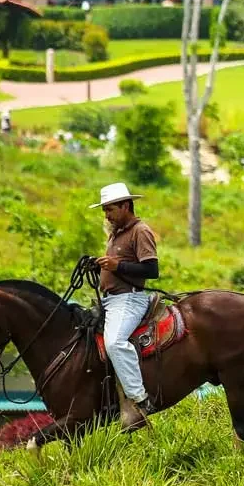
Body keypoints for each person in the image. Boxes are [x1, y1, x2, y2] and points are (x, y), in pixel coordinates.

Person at [90, 182, 161, 431]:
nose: (106, 214)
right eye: (105, 210)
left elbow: (152, 270)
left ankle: (140, 399)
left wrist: (116, 266)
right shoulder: (116, 232)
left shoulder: (140, 231)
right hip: (110, 300)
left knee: (114, 343)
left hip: (129, 299)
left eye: (110, 209)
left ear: (125, 205)